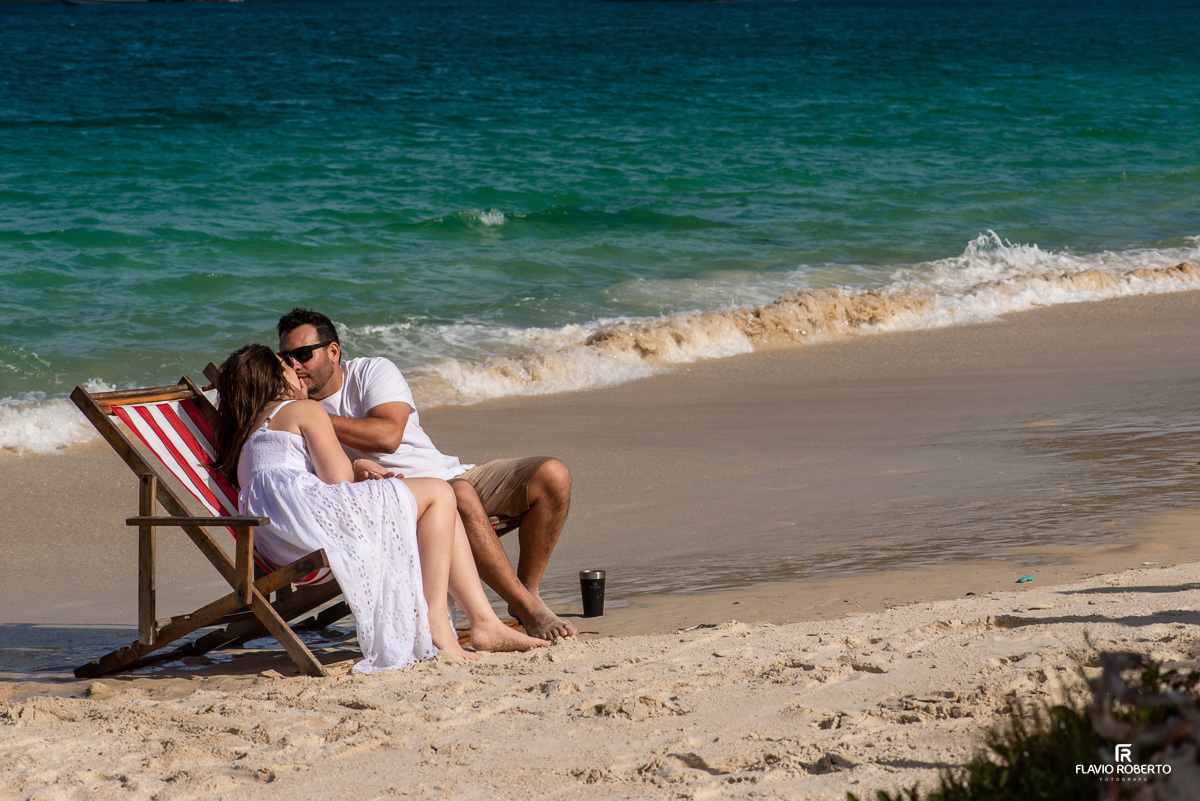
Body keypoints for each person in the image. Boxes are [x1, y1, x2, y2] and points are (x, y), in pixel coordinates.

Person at [213, 344, 546, 673]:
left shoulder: (245, 440)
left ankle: (485, 621)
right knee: (439, 494)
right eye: (285, 364)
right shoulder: (303, 410)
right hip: (315, 532)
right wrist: (359, 466)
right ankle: (439, 623)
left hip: (279, 547)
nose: (295, 368)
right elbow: (337, 480)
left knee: (430, 504)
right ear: (273, 379)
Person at [277, 309, 577, 640]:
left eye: (303, 354)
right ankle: (528, 609)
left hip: (451, 473)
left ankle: (528, 592)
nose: (294, 366)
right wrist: (300, 412)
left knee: (552, 475)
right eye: (285, 358)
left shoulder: (371, 372)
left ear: (333, 351)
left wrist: (311, 415)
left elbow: (388, 435)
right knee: (458, 494)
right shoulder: (289, 412)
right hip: (402, 503)